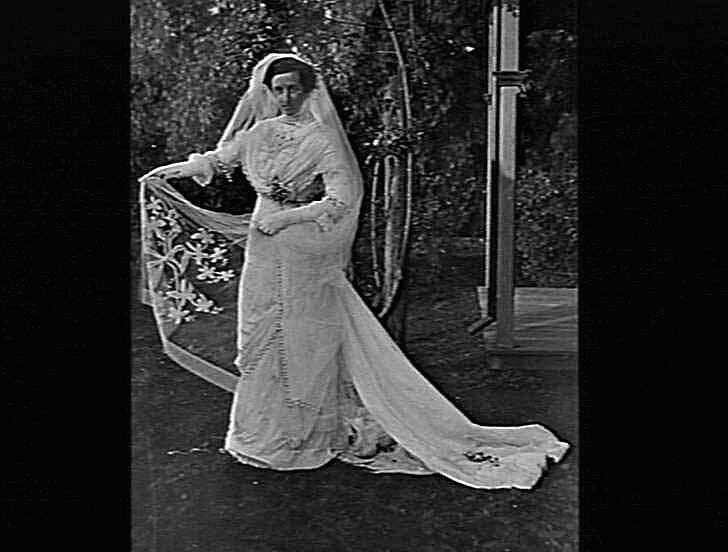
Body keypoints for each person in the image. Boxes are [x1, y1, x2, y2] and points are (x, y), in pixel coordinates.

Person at [139, 53, 568, 489]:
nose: (285, 97)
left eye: (293, 89)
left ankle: (305, 437)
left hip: (302, 243)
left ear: (308, 91)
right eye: (278, 89)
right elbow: (218, 160)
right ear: (268, 92)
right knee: (259, 335)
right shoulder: (259, 133)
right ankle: (261, 437)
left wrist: (288, 217)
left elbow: (342, 198)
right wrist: (170, 172)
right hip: (263, 246)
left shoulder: (322, 139)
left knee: (303, 337)